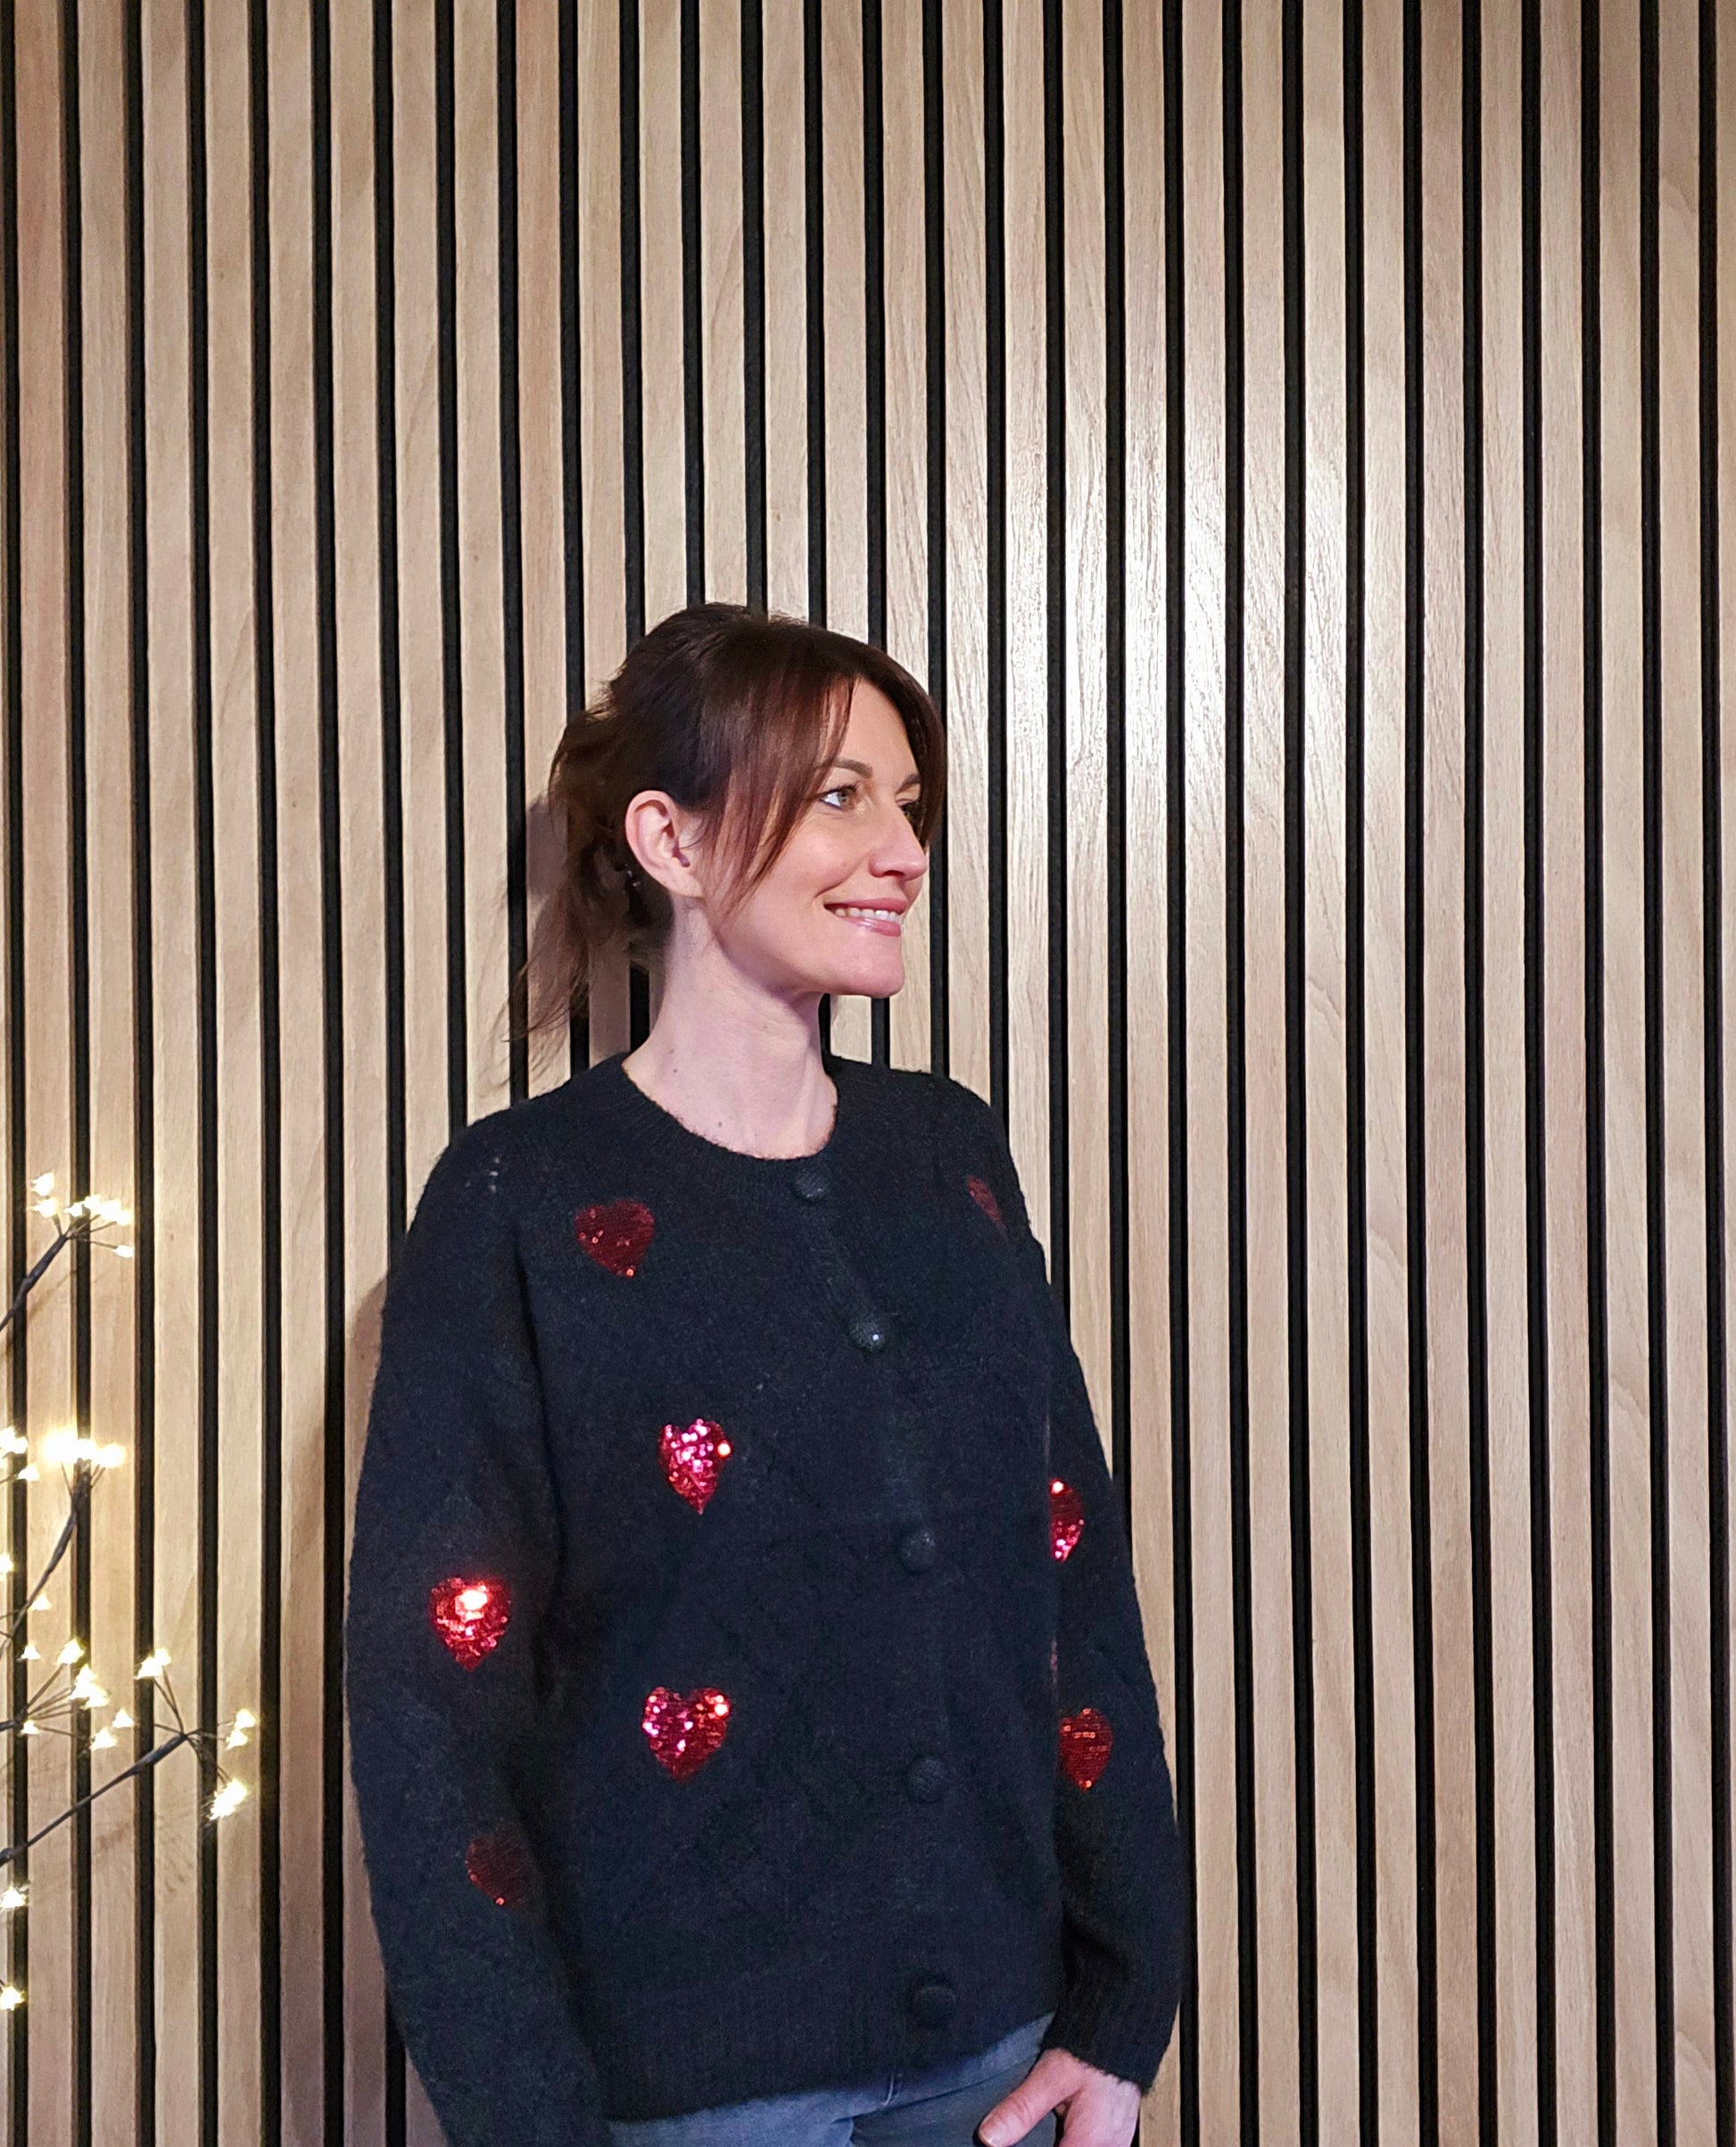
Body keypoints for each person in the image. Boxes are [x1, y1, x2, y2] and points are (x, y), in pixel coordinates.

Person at [343, 602, 1187, 2147]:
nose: (903, 852)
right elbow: (429, 1716)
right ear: (668, 839)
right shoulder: (517, 1202)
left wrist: (1125, 2008)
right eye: (839, 796)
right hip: (686, 2103)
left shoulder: (949, 1156)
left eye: (909, 804)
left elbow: (1070, 1580)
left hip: (1005, 2067)